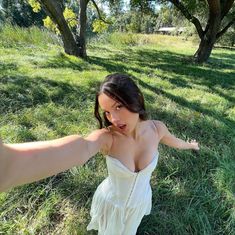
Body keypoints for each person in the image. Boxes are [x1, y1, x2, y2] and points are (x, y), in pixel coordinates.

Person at [0, 73, 199, 234]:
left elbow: (176, 142)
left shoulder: (157, 129)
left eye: (118, 106)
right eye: (107, 112)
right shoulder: (108, 138)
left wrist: (190, 145)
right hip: (112, 204)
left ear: (136, 99)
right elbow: (82, 148)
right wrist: (9, 163)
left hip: (139, 203)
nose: (114, 118)